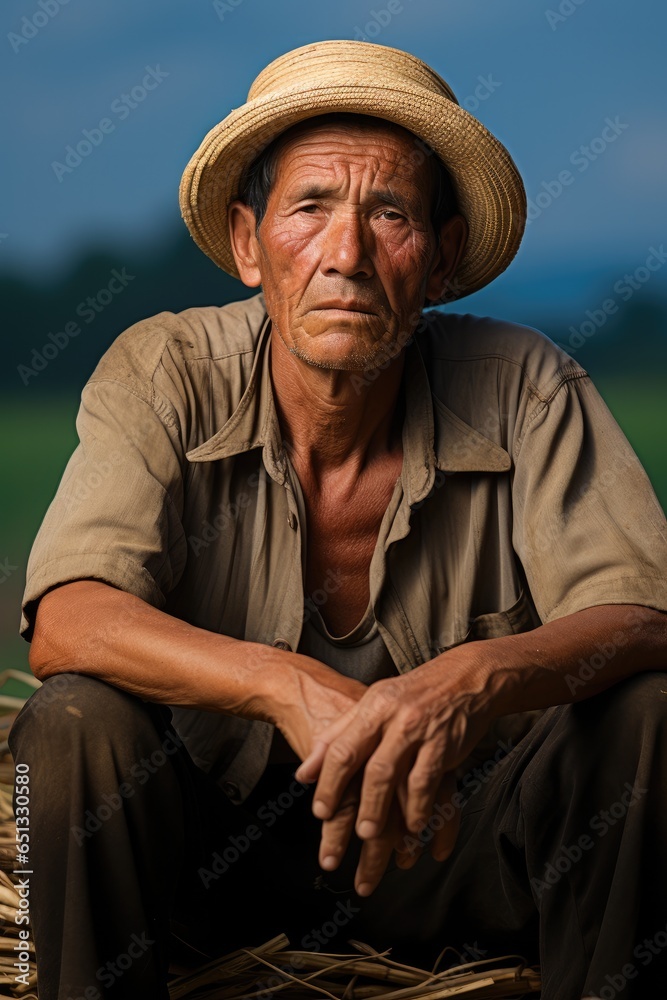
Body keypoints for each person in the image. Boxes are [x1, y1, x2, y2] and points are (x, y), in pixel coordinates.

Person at [10, 39, 667, 1000]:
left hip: (450, 850)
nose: (346, 255)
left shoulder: (527, 387)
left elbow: (645, 617)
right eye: (310, 207)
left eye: (389, 214)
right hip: (208, 856)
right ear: (248, 243)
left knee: (649, 715)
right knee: (69, 726)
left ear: (441, 260)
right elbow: (69, 619)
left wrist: (469, 680)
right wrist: (284, 684)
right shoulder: (163, 372)